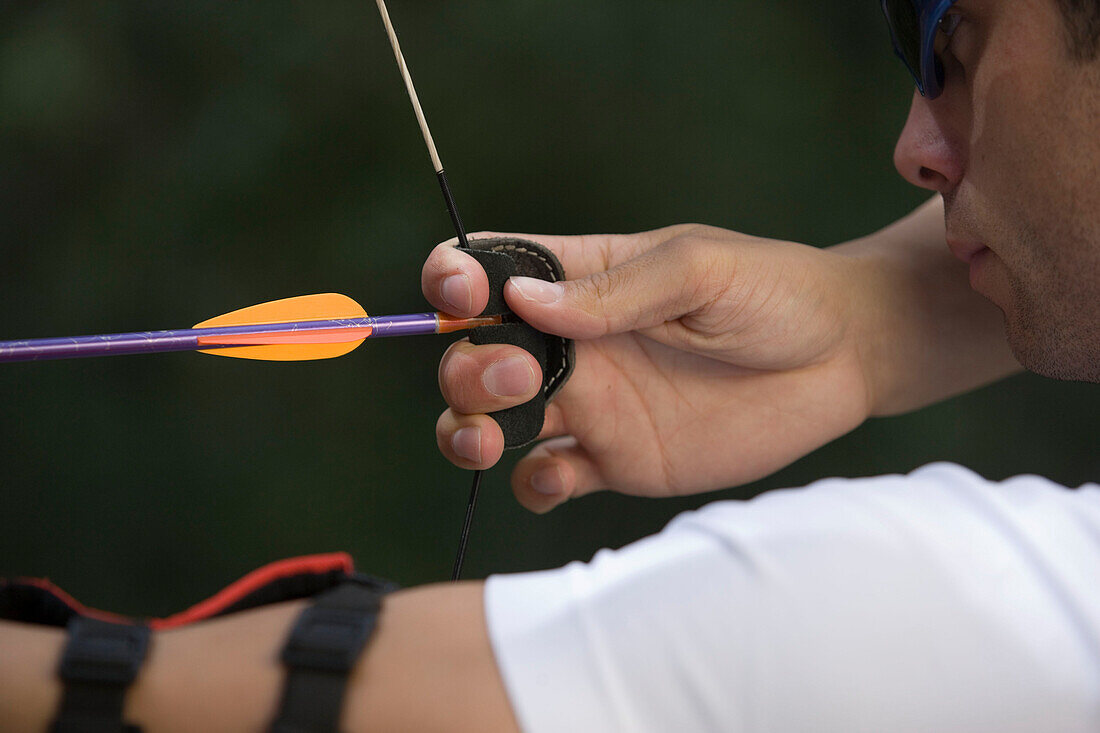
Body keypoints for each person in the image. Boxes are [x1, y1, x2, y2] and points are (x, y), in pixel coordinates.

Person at [2, 0, 1098, 730]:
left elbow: (457, 693)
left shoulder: (988, 612)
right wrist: (864, 328)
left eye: (952, 48)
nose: (913, 146)